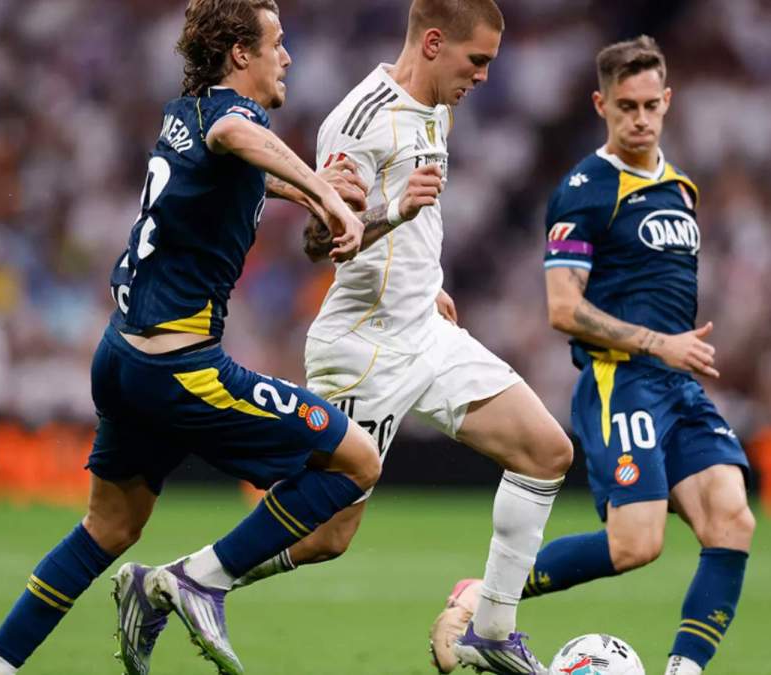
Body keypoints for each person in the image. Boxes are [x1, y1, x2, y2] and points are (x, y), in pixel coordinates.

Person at [0, 2, 384, 674]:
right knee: (357, 461)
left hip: (122, 354)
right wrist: (325, 198)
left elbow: (232, 167)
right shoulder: (232, 119)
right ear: (239, 54)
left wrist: (305, 192)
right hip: (179, 368)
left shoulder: (184, 114)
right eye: (277, 43)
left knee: (111, 526)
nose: (288, 57)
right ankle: (199, 577)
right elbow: (240, 136)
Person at [230, 2, 575, 673]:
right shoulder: (358, 120)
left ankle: (492, 630)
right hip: (365, 345)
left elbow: (411, 225)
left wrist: (426, 280)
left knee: (546, 451)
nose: (482, 76)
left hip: (423, 326)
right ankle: (193, 578)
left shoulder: (437, 108)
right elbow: (317, 240)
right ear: (435, 43)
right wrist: (396, 212)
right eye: (477, 61)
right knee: (331, 534)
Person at [429, 36, 756, 675]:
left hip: (678, 388)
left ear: (667, 102)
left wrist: (673, 353)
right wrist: (662, 344)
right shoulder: (584, 188)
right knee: (637, 545)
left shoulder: (681, 188)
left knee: (733, 519)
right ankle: (482, 597)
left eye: (650, 105)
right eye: (625, 106)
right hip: (621, 381)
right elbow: (561, 307)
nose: (639, 118)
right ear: (600, 104)